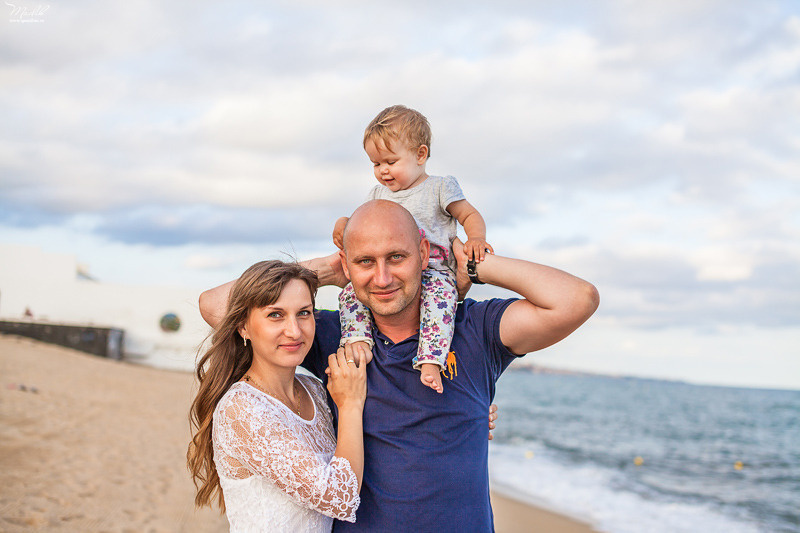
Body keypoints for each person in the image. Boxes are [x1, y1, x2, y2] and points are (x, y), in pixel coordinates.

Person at [200, 200, 599, 532]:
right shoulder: (337, 335)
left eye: (397, 257)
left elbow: (577, 299)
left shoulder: (474, 329)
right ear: (348, 265)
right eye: (365, 262)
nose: (383, 277)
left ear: (424, 253)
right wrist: (325, 270)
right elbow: (219, 307)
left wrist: (474, 265)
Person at [188, 260, 368, 533]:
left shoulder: (314, 389)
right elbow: (339, 498)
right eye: (275, 315)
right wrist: (351, 405)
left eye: (304, 313)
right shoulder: (241, 408)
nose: (295, 331)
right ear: (243, 327)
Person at [333, 105, 493, 393]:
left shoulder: (440, 187)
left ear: (420, 155)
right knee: (349, 294)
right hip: (396, 273)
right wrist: (343, 222)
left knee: (439, 302)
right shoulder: (378, 195)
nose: (382, 171)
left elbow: (469, 214)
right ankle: (357, 337)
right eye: (375, 164)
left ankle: (431, 358)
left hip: (434, 270)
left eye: (390, 161)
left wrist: (476, 239)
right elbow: (362, 223)